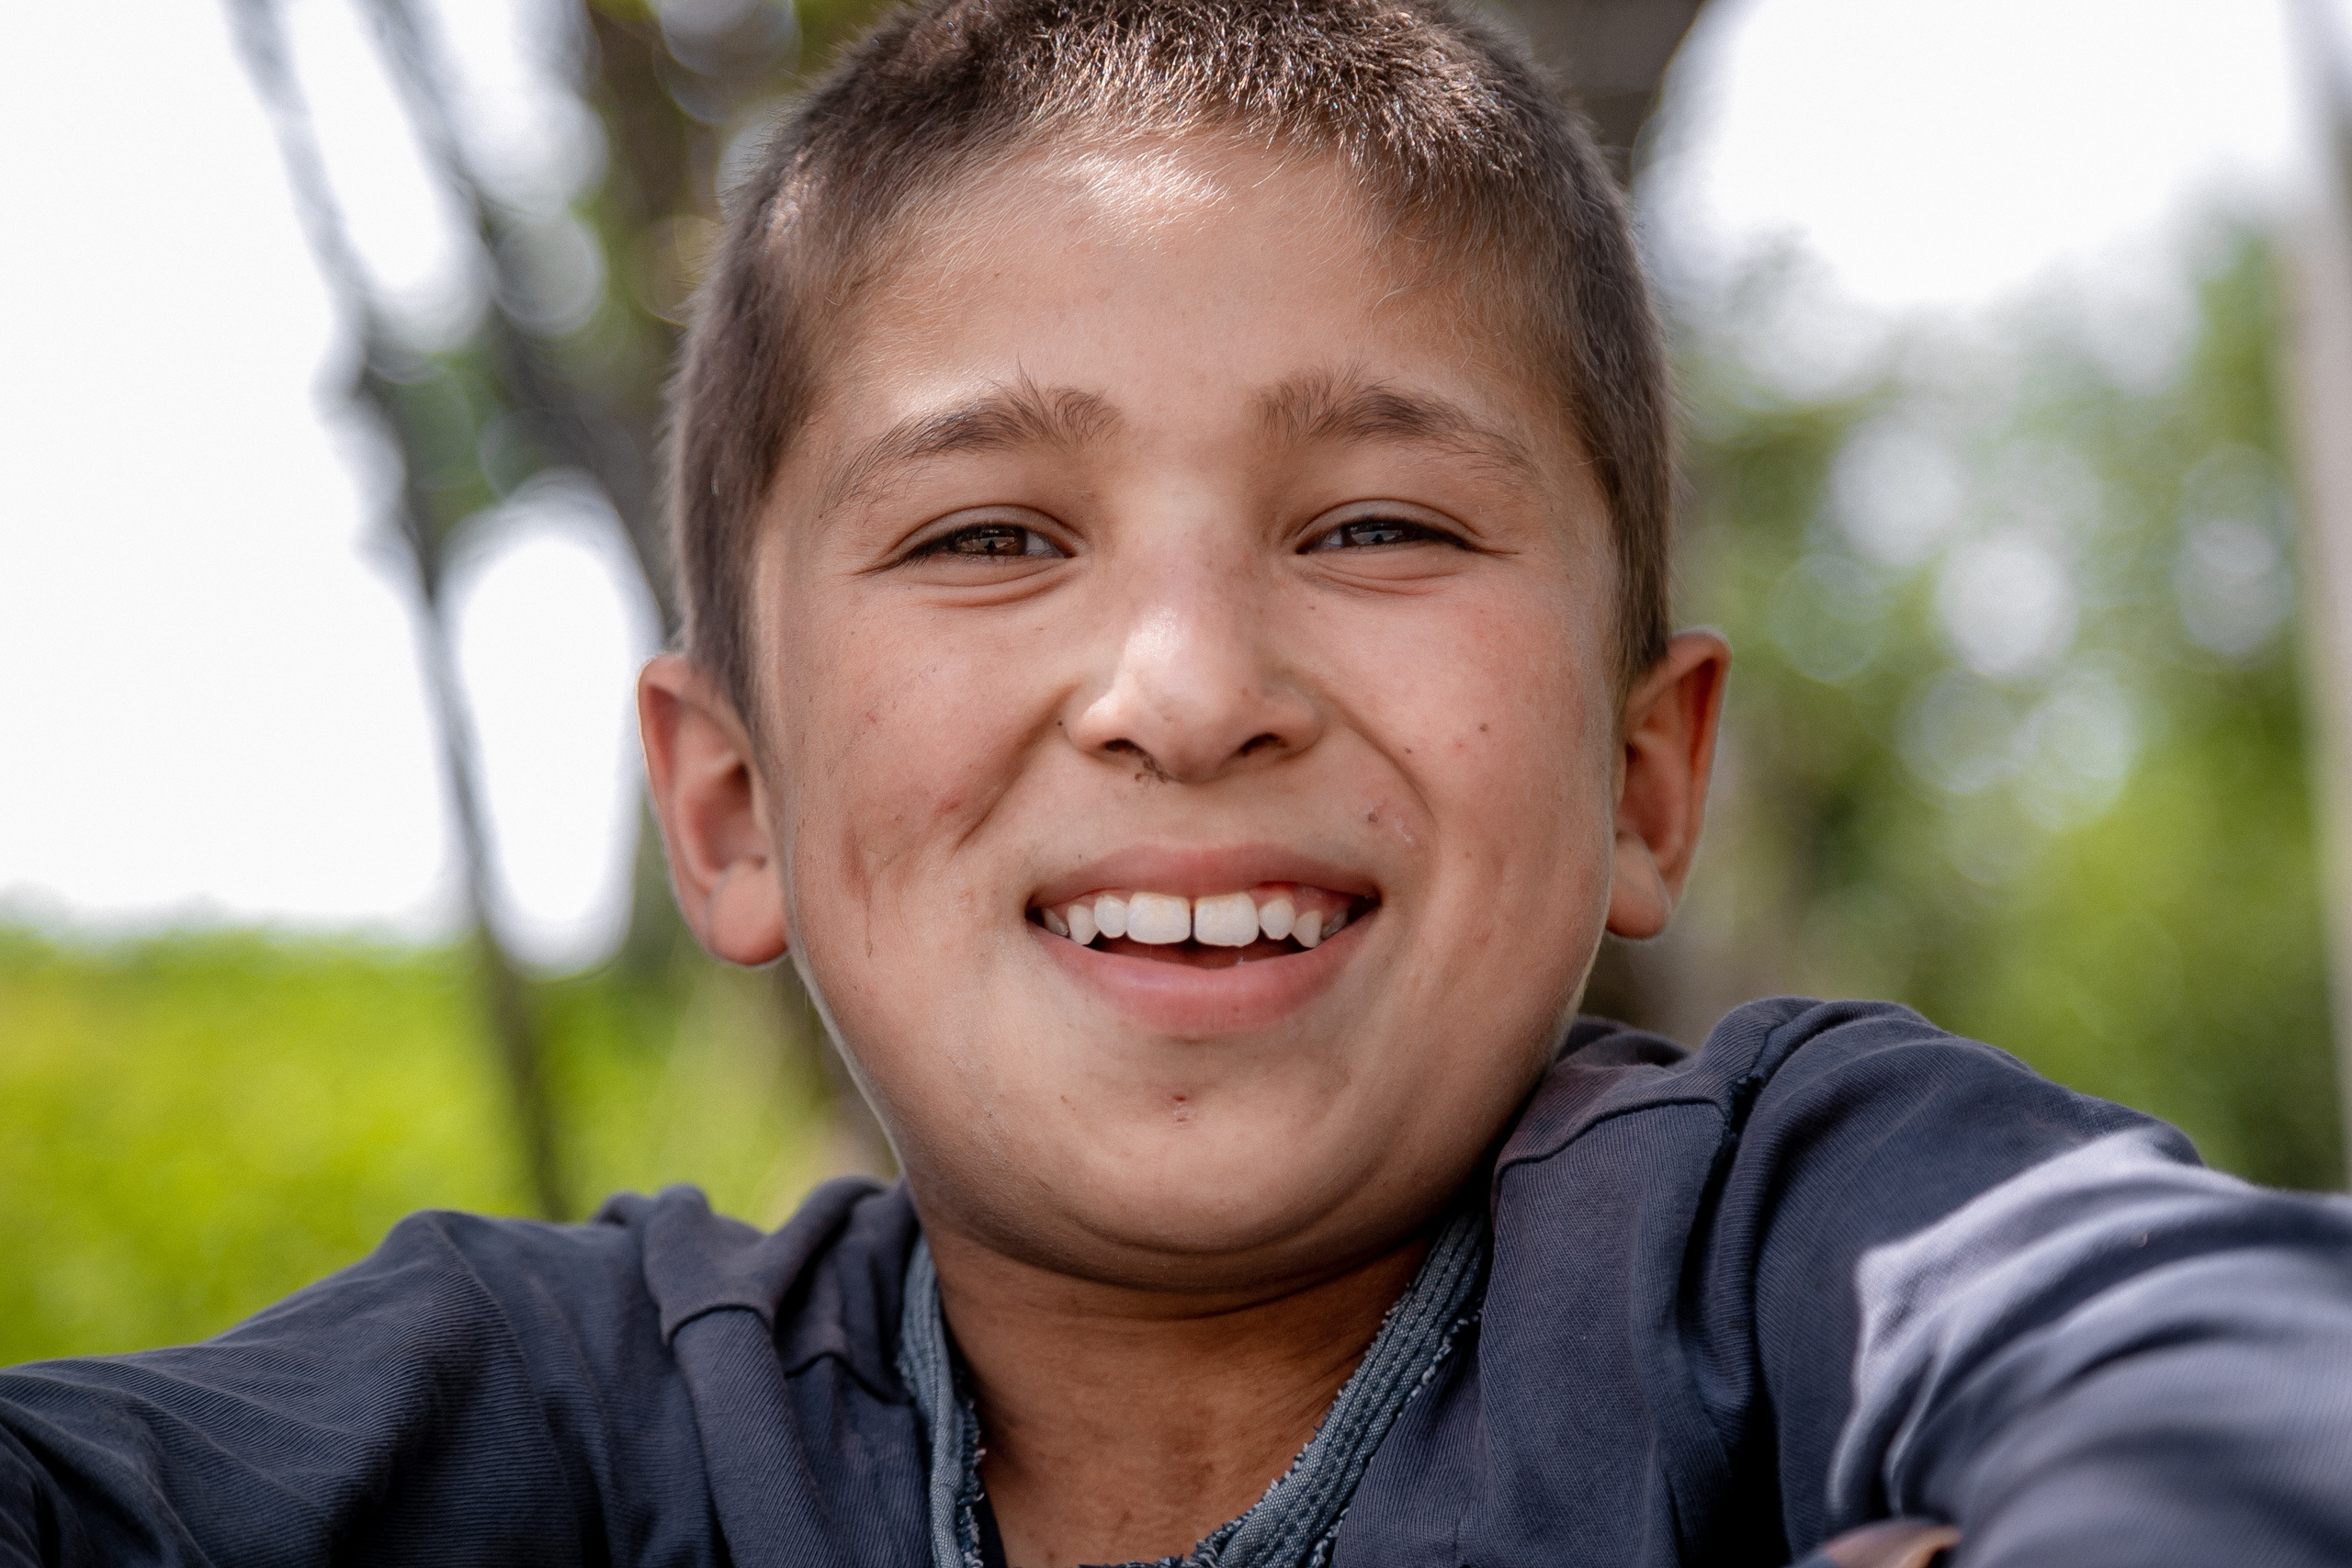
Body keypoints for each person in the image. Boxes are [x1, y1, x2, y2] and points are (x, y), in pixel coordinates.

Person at [7, 1, 2352, 1564]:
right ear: (726, 806)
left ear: (1647, 775)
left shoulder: (1794, 1224)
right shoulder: (575, 1403)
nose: (1188, 685)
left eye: (1376, 525)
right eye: (987, 537)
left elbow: (2237, 1381)